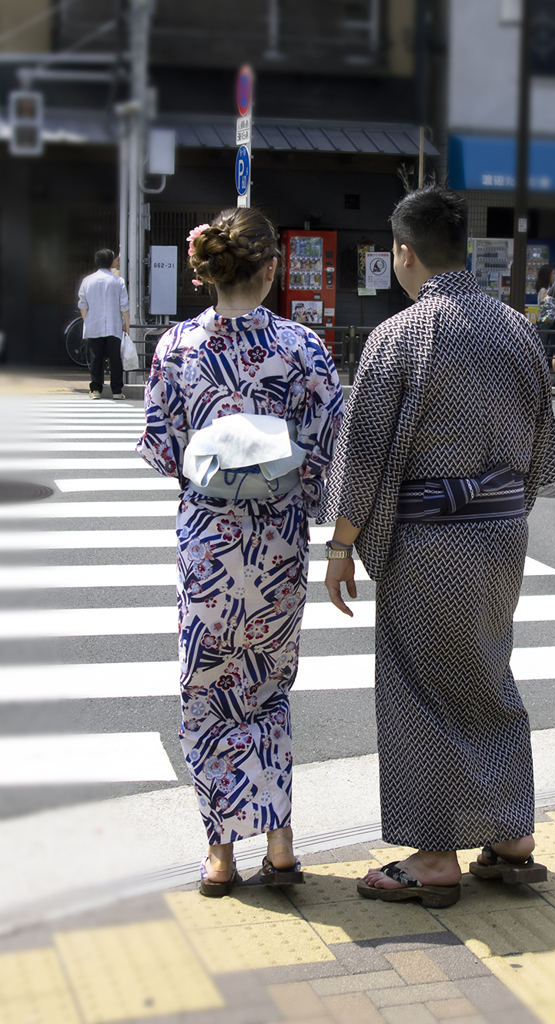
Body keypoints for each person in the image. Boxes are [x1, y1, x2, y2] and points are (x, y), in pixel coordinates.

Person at [321, 186, 555, 907]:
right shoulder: (517, 330)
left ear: (403, 251)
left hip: (429, 539)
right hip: (501, 532)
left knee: (420, 687)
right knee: (486, 674)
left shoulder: (400, 335)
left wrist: (342, 546)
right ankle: (509, 833)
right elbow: (543, 455)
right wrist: (500, 511)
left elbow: (362, 452)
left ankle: (432, 857)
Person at [136, 208, 344, 896]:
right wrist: (287, 483)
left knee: (207, 693)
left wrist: (215, 467)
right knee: (266, 689)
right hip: (276, 545)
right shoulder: (302, 346)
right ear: (269, 270)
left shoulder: (174, 347)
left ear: (209, 270)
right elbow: (325, 447)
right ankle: (280, 844)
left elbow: (163, 449)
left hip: (207, 547)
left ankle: (220, 854)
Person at [78, 248, 130, 400]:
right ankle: (117, 391)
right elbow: (124, 305)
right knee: (115, 359)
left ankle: (96, 390)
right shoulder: (118, 281)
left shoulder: (87, 280)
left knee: (96, 358)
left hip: (93, 325)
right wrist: (127, 323)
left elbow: (82, 304)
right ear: (110, 261)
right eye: (114, 259)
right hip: (114, 325)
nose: (116, 261)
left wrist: (86, 320)